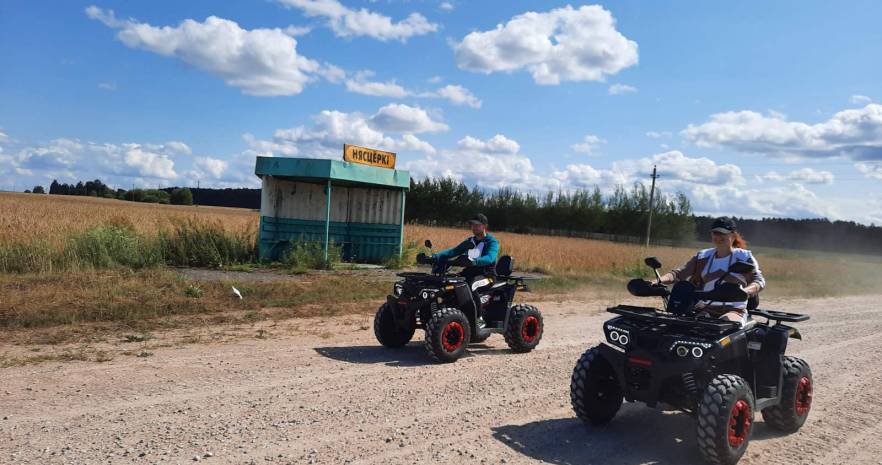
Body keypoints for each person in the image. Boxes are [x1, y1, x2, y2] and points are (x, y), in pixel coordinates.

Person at [658, 217, 765, 324]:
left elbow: (759, 281)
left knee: (726, 325)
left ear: (732, 236)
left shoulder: (744, 257)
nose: (718, 237)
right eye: (715, 233)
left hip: (734, 310)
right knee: (686, 328)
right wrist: (658, 281)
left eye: (722, 233)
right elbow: (679, 273)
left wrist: (745, 292)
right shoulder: (702, 256)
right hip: (704, 309)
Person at [432, 213, 499, 282]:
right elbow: (453, 251)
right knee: (449, 282)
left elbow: (490, 257)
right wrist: (434, 257)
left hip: (487, 276)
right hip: (469, 273)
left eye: (477, 225)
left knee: (472, 285)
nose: (474, 227)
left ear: (485, 226)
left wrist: (475, 261)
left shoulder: (491, 242)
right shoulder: (470, 241)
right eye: (472, 225)